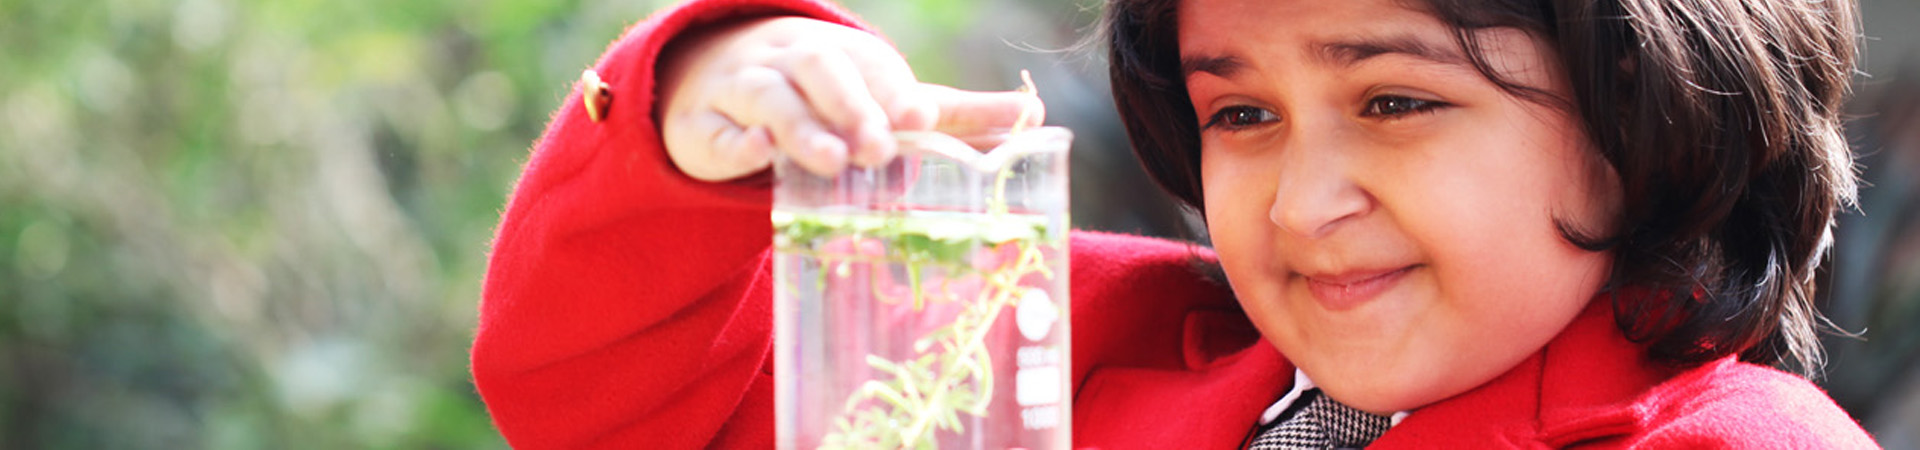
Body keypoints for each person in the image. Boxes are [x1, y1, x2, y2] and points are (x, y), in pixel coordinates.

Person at [468, 0, 1879, 447]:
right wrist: (707, 107)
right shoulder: (1066, 348)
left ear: (1647, 112)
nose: (1306, 200)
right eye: (1242, 115)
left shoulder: (1737, 438)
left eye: (1393, 102)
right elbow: (602, 399)